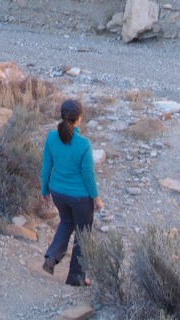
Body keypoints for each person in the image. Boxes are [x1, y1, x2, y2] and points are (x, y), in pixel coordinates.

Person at [40, 97, 103, 287]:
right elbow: (88, 175)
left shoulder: (52, 137)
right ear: (79, 118)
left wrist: (44, 190)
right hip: (80, 198)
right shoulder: (84, 144)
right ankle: (76, 277)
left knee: (66, 222)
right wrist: (96, 198)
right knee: (83, 233)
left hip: (58, 192)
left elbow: (46, 167)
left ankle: (51, 257)